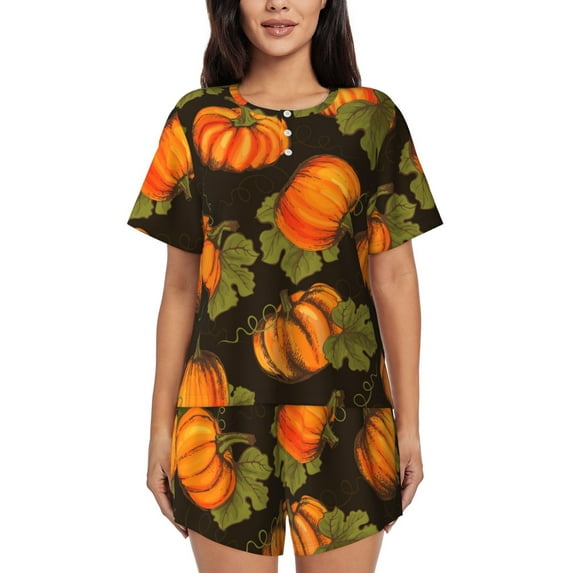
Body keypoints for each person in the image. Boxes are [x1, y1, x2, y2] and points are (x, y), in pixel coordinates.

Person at [127, 1, 442, 571]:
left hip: (351, 414)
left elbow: (395, 278)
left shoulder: (373, 118)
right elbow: (180, 290)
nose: (277, 3)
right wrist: (159, 431)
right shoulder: (195, 119)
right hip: (218, 416)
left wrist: (411, 426)